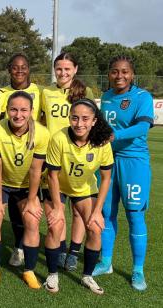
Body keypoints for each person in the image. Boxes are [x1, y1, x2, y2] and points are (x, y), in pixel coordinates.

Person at [93, 55, 154, 291]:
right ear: (109, 74)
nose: (120, 76)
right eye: (115, 71)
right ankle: (106, 261)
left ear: (132, 74)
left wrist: (114, 136)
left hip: (133, 163)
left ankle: (138, 270)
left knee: (134, 215)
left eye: (125, 71)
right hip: (107, 161)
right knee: (106, 212)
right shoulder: (107, 97)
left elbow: (142, 126)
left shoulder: (142, 97)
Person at [43, 98, 114, 294]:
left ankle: (87, 276)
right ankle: (52, 274)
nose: (79, 123)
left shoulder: (102, 142)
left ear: (94, 121)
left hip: (84, 189)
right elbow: (52, 175)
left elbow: (106, 178)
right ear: (69, 118)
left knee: (95, 228)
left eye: (85, 119)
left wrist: (97, 211)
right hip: (57, 186)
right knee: (55, 225)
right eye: (75, 118)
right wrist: (58, 208)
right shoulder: (59, 138)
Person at [0, 91, 49, 289]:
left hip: (26, 186)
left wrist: (31, 200)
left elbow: (36, 170)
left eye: (23, 110)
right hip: (0, 183)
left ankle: (28, 270)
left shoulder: (42, 133)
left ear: (31, 112)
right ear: (6, 110)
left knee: (32, 219)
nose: (18, 114)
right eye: (13, 109)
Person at [41, 52, 95, 271]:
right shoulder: (46, 92)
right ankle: (61, 249)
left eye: (67, 69)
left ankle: (73, 251)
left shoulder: (85, 91)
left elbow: (91, 121)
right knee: (56, 207)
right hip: (53, 158)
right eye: (59, 69)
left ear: (75, 69)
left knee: (77, 210)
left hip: (78, 157)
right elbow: (40, 121)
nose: (62, 73)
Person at [0, 54, 44, 267]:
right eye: (15, 67)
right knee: (0, 210)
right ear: (9, 69)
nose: (19, 71)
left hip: (33, 155)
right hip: (2, 155)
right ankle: (10, 250)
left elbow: (42, 120)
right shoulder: (1, 93)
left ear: (29, 69)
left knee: (29, 210)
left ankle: (25, 248)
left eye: (23, 67)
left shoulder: (40, 92)